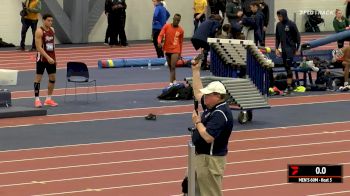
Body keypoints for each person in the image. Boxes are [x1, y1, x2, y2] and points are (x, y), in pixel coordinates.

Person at [190, 55, 234, 196]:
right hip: (202, 158)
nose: (205, 97)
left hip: (210, 161)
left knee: (210, 194)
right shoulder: (213, 106)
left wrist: (197, 122)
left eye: (208, 95)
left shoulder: (220, 113)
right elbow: (197, 93)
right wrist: (195, 71)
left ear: (218, 96)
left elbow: (208, 137)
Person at [34, 14, 58, 108]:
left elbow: (52, 44)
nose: (50, 22)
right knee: (38, 79)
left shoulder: (52, 30)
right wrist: (48, 57)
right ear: (43, 20)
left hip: (51, 58)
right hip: (42, 59)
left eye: (51, 21)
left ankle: (48, 99)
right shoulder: (39, 31)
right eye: (48, 20)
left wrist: (54, 57)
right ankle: (37, 100)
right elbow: (39, 47)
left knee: (53, 78)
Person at [275, 9, 300, 94]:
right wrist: (276, 48)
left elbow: (297, 37)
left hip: (291, 49)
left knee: (288, 67)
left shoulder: (291, 24)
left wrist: (297, 49)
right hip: (284, 50)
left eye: (280, 16)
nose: (279, 18)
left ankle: (289, 87)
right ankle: (291, 86)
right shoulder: (278, 25)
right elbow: (277, 38)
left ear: (284, 15)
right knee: (286, 67)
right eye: (278, 16)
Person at [157, 14, 184, 85]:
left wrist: (179, 54)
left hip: (176, 49)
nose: (176, 21)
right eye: (175, 19)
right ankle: (174, 80)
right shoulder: (166, 26)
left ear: (179, 21)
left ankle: (171, 83)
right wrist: (159, 42)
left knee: (173, 66)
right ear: (173, 19)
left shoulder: (181, 30)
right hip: (167, 49)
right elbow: (160, 35)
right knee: (170, 67)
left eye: (178, 20)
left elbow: (181, 43)